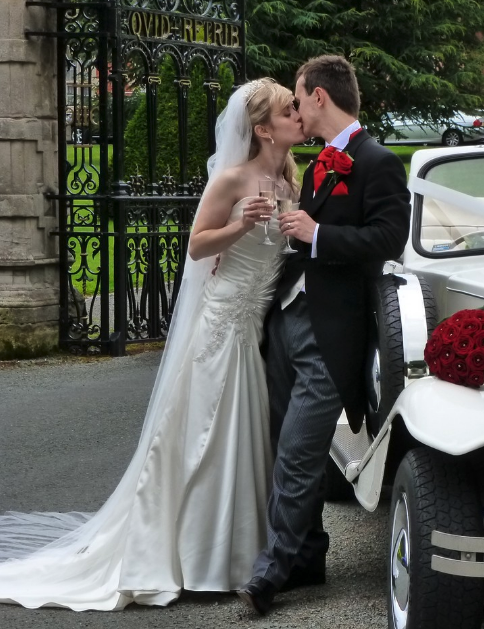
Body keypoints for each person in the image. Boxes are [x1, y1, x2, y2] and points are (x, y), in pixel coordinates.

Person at [0, 78, 305, 611]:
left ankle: (240, 557)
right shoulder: (232, 179)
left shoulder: (289, 180)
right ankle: (190, 558)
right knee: (205, 436)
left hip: (255, 325)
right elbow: (197, 246)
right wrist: (240, 226)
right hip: (221, 323)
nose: (299, 115)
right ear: (262, 129)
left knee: (245, 436)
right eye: (288, 110)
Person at [237, 55, 411, 615]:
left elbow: (389, 239)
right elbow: (304, 245)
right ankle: (308, 556)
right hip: (286, 321)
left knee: (297, 451)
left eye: (297, 97)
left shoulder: (378, 162)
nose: (294, 107)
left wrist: (318, 234)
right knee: (281, 444)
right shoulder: (316, 166)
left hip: (332, 333)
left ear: (319, 96)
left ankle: (270, 572)